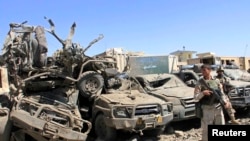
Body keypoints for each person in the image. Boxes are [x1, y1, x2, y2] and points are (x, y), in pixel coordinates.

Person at [194, 64, 230, 141]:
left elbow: (222, 93)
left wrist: (226, 102)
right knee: (206, 130)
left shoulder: (216, 81)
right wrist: (203, 93)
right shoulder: (200, 82)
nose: (202, 72)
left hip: (218, 108)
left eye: (204, 70)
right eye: (202, 70)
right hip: (207, 109)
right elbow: (195, 97)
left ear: (209, 70)